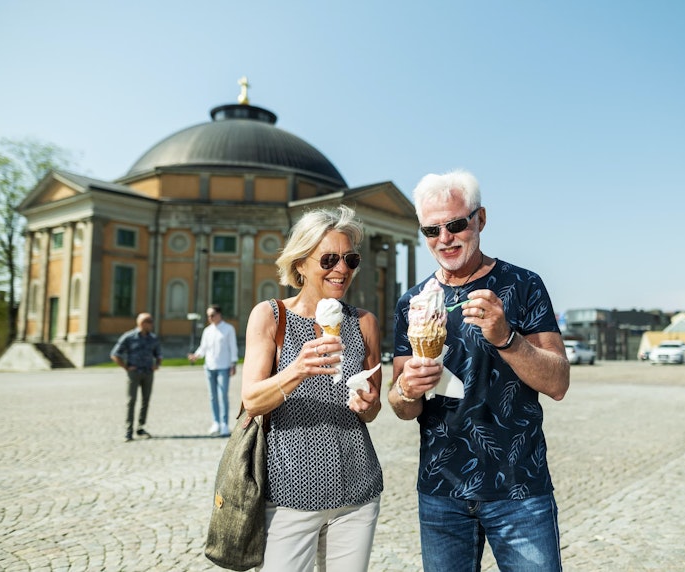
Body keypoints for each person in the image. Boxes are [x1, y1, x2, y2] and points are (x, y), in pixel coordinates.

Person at [389, 169, 570, 572]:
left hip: (518, 485)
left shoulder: (523, 285)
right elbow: (402, 405)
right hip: (441, 489)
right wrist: (406, 391)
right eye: (431, 230)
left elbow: (558, 382)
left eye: (455, 224)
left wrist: (507, 337)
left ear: (480, 219)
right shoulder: (413, 303)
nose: (444, 239)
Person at [241, 204, 383, 572]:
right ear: (301, 263)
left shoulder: (364, 322)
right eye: (329, 259)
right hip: (289, 494)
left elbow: (372, 410)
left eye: (350, 260)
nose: (342, 270)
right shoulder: (271, 315)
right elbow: (252, 400)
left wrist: (367, 403)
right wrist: (297, 369)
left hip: (357, 494)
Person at [111, 312, 163, 442]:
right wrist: (126, 367)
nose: (152, 324)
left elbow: (159, 354)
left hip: (148, 373)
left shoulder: (153, 338)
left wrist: (156, 365)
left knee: (146, 401)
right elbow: (115, 354)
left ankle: (140, 427)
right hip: (134, 374)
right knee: (131, 401)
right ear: (141, 323)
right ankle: (128, 430)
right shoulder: (129, 337)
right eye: (149, 321)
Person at [188, 304, 239, 437]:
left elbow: (233, 347)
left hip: (224, 366)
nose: (210, 318)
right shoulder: (207, 330)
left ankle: (224, 424)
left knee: (223, 396)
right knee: (212, 396)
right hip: (209, 367)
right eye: (208, 315)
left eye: (212, 315)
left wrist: (233, 363)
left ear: (219, 314)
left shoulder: (228, 329)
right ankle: (215, 422)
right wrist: (196, 355)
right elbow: (203, 348)